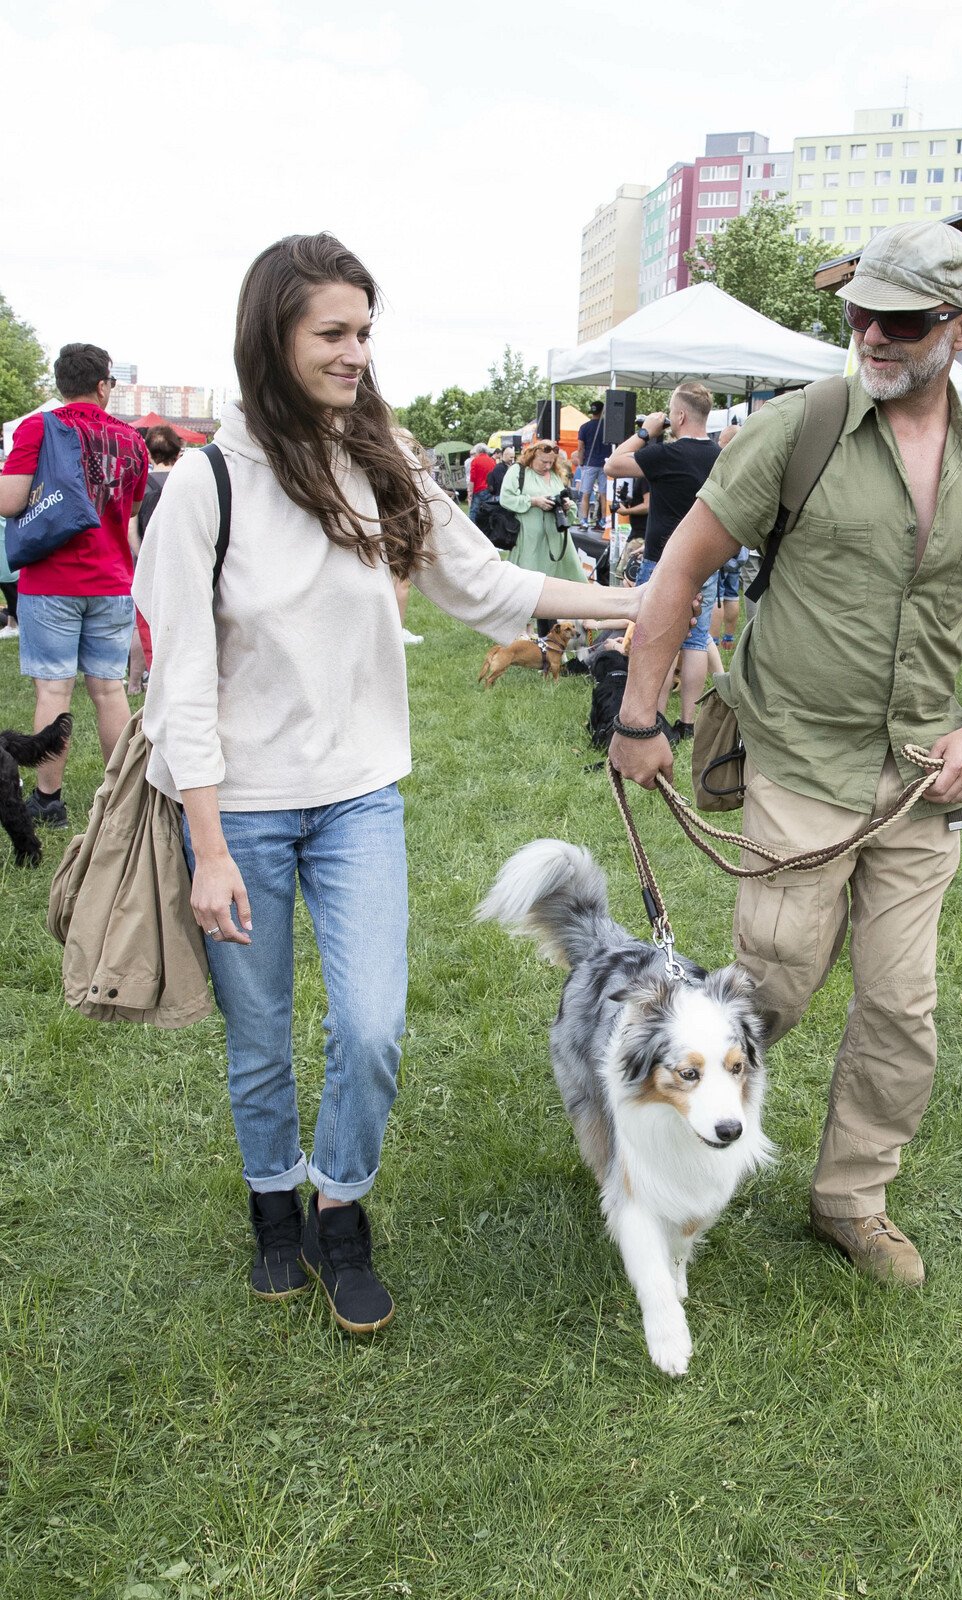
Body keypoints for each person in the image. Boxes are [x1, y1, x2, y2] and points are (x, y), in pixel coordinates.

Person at [132, 233, 644, 1333]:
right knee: (260, 1035)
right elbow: (178, 682)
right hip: (242, 811)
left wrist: (635, 604)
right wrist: (208, 845)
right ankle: (275, 1204)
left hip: (360, 796)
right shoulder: (206, 484)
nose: (357, 352)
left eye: (365, 330)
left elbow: (486, 580)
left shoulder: (384, 461)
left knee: (369, 1027)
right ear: (273, 337)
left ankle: (341, 1207)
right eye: (333, 332)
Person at [609, 220, 962, 1288]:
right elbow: (678, 569)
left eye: (897, 320)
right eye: (857, 311)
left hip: (919, 782)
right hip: (799, 762)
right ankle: (651, 1131)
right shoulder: (796, 428)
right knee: (772, 989)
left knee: (902, 1006)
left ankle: (850, 1198)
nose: (868, 333)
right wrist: (636, 717)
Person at [0, 344, 149, 828]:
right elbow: (125, 515)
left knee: (53, 690)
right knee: (109, 689)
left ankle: (49, 801)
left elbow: (10, 501)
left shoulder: (38, 428)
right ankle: (123, 797)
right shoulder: (132, 440)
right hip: (111, 579)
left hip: (51, 579)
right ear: (104, 384)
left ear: (59, 384)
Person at [605, 380, 722, 739]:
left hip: (665, 558)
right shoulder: (721, 455)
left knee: (657, 637)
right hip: (707, 556)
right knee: (697, 640)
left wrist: (645, 430)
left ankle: (655, 715)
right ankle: (688, 722)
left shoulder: (665, 453)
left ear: (680, 415)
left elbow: (612, 465)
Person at [499, 439, 587, 626]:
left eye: (551, 462)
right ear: (532, 456)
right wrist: (534, 501)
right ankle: (524, 630)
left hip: (558, 540)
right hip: (531, 540)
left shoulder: (555, 474)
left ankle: (571, 625)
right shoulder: (518, 470)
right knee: (528, 585)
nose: (547, 466)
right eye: (543, 462)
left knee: (567, 585)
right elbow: (506, 498)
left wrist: (566, 505)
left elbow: (565, 501)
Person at [128, 424, 185, 692]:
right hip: (184, 568)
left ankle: (136, 682)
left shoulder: (143, 482)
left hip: (148, 571)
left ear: (149, 452)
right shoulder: (187, 480)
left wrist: (146, 561)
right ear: (178, 450)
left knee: (143, 628)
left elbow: (131, 530)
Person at [577, 399, 610, 528]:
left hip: (589, 463)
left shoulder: (584, 427)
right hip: (605, 464)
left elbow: (581, 448)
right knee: (604, 494)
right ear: (603, 411)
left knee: (586, 493)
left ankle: (584, 521)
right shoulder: (608, 427)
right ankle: (603, 521)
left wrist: (581, 463)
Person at [467, 443, 495, 527]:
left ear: (478, 451)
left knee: (474, 512)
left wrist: (470, 492)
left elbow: (473, 478)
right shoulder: (492, 461)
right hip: (490, 490)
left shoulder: (475, 461)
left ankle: (472, 529)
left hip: (479, 490)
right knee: (488, 510)